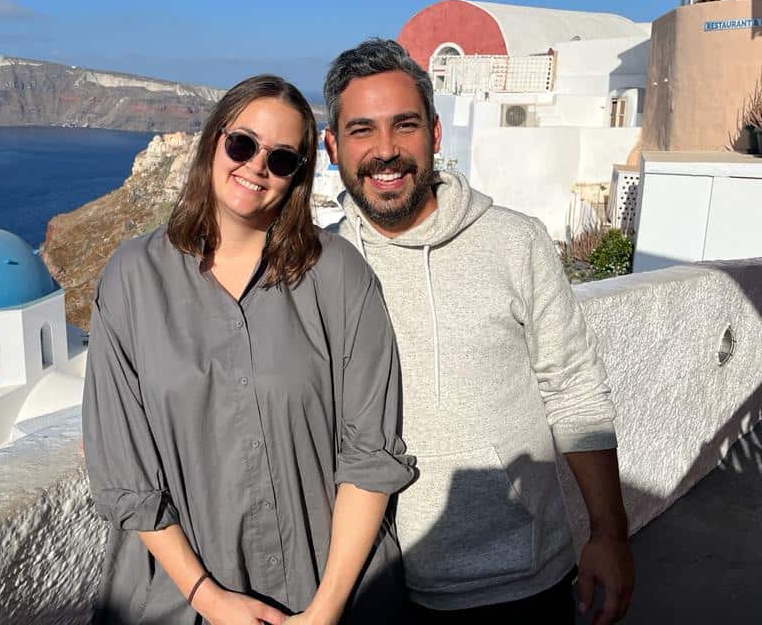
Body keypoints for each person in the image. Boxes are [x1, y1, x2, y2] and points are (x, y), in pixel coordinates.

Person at [82, 74, 416, 625]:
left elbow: (370, 456)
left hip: (330, 596)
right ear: (214, 140)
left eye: (282, 159)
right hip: (179, 601)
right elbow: (125, 472)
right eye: (242, 144)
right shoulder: (133, 278)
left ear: (298, 177)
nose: (257, 166)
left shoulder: (337, 277)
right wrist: (209, 599)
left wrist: (325, 610)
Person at [322, 39, 635, 624]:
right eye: (362, 131)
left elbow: (575, 390)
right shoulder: (321, 266)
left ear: (435, 135)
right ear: (333, 146)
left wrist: (609, 534)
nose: (385, 151)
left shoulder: (516, 242)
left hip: (524, 580)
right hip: (380, 585)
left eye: (405, 126)